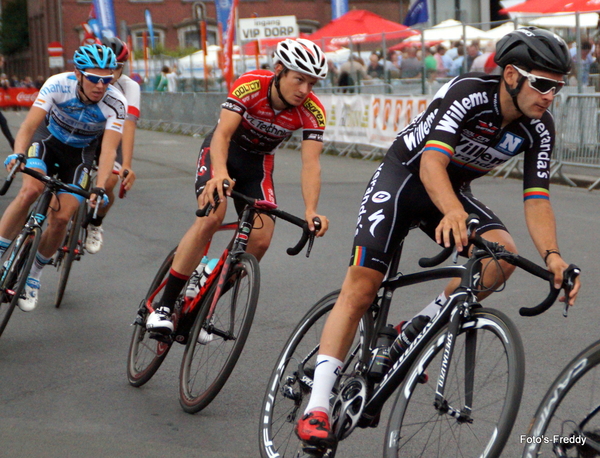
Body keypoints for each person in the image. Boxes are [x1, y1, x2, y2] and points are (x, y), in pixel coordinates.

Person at [295, 27, 581, 449]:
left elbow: (537, 199)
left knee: (502, 257)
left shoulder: (539, 128)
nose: (550, 95)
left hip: (452, 194)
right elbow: (431, 163)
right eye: (542, 84)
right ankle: (317, 404)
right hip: (404, 179)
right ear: (511, 76)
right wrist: (452, 211)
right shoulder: (469, 93)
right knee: (361, 287)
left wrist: (554, 256)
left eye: (558, 86)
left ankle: (418, 325)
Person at [145, 38, 330, 333]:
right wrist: (219, 173)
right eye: (299, 80)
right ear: (279, 70)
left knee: (261, 240)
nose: (305, 90)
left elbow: (311, 164)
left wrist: (311, 210)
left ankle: (205, 305)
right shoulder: (250, 84)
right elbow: (222, 134)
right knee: (212, 216)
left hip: (257, 166)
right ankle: (164, 307)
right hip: (223, 153)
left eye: (312, 83)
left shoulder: (313, 111)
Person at [0, 44, 127, 311]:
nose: (101, 86)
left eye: (107, 79)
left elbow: (107, 152)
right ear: (78, 74)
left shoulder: (116, 103)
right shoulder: (58, 84)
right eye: (94, 78)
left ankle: (33, 276)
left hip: (80, 155)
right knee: (30, 191)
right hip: (47, 141)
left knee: (61, 217)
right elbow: (28, 125)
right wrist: (19, 154)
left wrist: (100, 186)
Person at [84, 37, 140, 254]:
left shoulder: (129, 87)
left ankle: (95, 223)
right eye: (105, 67)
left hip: (111, 136)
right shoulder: (86, 80)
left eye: (116, 68)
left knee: (110, 181)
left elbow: (128, 126)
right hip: (84, 133)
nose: (111, 73)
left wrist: (126, 163)